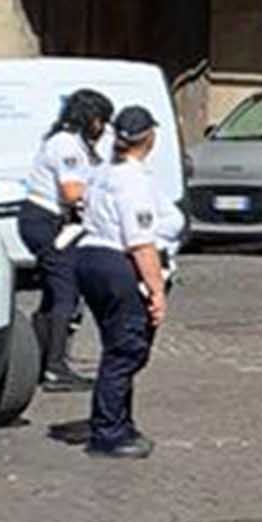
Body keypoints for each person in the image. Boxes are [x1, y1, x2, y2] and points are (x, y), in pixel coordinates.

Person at [71, 103, 171, 458]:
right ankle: (108, 432)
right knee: (126, 350)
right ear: (149, 138)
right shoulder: (133, 179)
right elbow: (141, 243)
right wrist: (157, 292)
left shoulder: (103, 171)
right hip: (116, 262)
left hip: (89, 256)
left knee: (117, 345)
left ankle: (121, 423)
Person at [11, 85, 110, 392]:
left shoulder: (72, 143)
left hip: (48, 221)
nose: (103, 128)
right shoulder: (66, 145)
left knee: (54, 293)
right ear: (90, 118)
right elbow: (71, 192)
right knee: (66, 292)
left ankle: (42, 360)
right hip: (46, 222)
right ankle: (55, 367)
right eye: (101, 120)